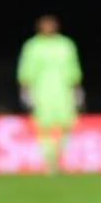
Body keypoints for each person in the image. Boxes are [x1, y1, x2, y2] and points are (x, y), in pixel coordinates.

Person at [16, 14, 84, 174]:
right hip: (42, 90)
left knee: (67, 123)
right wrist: (25, 89)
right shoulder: (32, 46)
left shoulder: (66, 44)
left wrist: (77, 88)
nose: (49, 28)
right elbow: (26, 68)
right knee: (43, 125)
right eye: (45, 25)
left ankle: (60, 154)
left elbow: (73, 66)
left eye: (51, 24)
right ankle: (48, 158)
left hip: (63, 89)